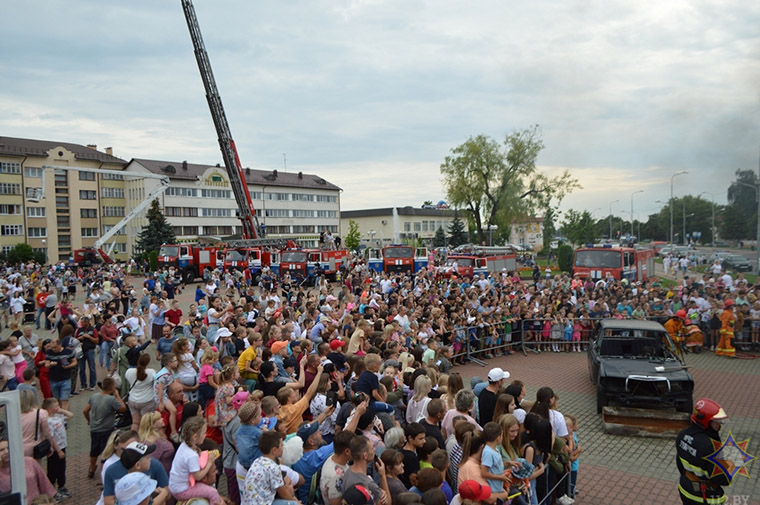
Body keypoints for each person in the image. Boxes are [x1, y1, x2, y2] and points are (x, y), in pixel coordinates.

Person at [675, 398, 733, 505]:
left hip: (685, 489)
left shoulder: (682, 435)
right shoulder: (710, 447)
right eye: (716, 422)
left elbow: (680, 463)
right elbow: (723, 479)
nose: (719, 425)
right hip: (704, 497)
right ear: (705, 422)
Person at [168, 416, 222, 505]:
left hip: (174, 486)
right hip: (182, 490)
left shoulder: (184, 445)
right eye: (204, 433)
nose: (205, 435)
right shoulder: (191, 455)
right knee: (213, 492)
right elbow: (198, 476)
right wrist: (210, 462)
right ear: (195, 436)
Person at [83, 377, 126, 478]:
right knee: (106, 451)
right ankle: (105, 471)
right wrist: (117, 395)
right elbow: (123, 408)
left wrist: (89, 420)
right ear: (112, 387)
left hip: (94, 429)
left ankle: (92, 468)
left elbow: (85, 410)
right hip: (107, 429)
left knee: (94, 449)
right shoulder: (111, 399)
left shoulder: (94, 396)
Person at [242, 430, 300, 505]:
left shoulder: (257, 461)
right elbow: (284, 493)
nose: (283, 447)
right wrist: (295, 501)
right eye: (282, 445)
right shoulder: (273, 468)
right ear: (274, 450)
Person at [0, 438, 57, 504]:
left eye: (8, 448)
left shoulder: (29, 461)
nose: (6, 451)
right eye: (1, 450)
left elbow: (44, 483)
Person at [342, 435, 391, 505]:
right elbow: (388, 503)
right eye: (372, 448)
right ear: (365, 456)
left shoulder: (347, 472)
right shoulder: (368, 484)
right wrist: (383, 475)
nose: (374, 449)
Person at [42, 397, 73, 501]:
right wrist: (58, 450)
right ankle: (52, 490)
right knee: (53, 469)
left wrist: (60, 410)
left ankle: (61, 486)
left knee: (62, 467)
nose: (59, 407)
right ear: (50, 409)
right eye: (56, 406)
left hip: (63, 446)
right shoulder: (48, 421)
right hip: (55, 449)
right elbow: (51, 437)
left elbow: (70, 415)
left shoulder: (58, 416)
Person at [20, 389, 62, 461]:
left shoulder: (15, 414)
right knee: (35, 468)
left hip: (19, 447)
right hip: (35, 447)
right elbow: (46, 433)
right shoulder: (40, 413)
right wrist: (50, 445)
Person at [320, 431, 356, 505]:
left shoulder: (333, 456)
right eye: (355, 449)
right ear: (347, 451)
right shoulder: (336, 478)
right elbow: (336, 503)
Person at [125, 353, 157, 432]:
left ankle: (133, 440)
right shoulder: (151, 372)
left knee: (135, 423)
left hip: (132, 400)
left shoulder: (129, 371)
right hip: (147, 401)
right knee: (145, 424)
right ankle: (143, 441)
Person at [43, 338, 77, 411]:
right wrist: (50, 365)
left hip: (65, 379)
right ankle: (61, 413)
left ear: (60, 345)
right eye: (52, 347)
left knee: (65, 399)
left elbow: (74, 362)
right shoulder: (49, 352)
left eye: (55, 347)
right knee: (57, 400)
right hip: (53, 379)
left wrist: (69, 366)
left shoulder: (68, 352)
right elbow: (46, 364)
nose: (53, 349)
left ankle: (64, 419)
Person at [138, 412, 175, 476]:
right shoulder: (153, 442)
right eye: (159, 419)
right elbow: (152, 464)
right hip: (163, 476)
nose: (162, 419)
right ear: (153, 424)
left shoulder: (159, 436)